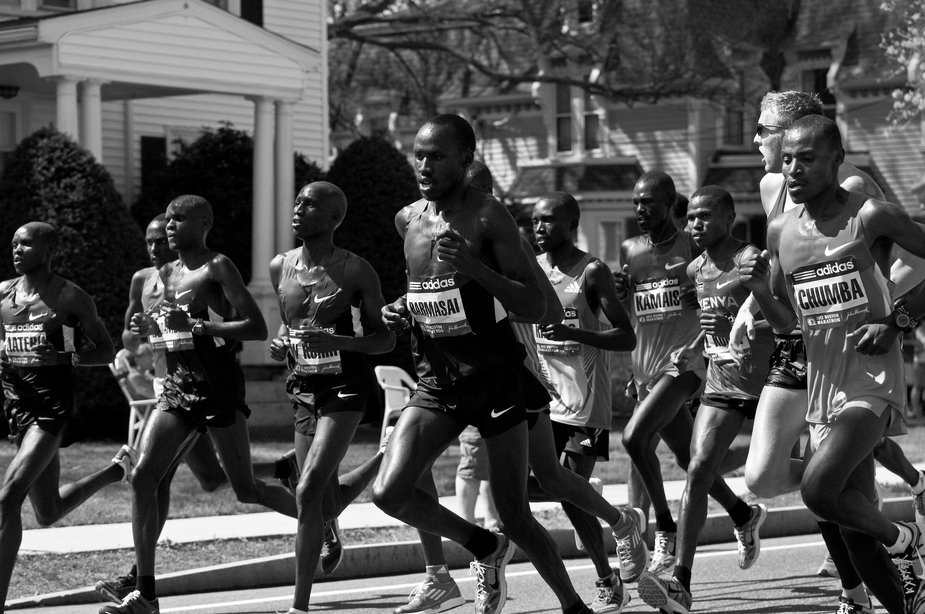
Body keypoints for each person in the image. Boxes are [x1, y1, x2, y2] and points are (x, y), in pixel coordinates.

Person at [374, 114, 600, 614]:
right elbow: (425, 289)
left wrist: (475, 268)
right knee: (389, 492)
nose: (424, 165)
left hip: (494, 379)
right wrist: (400, 308)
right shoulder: (407, 219)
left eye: (437, 156)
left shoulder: (488, 217)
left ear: (465, 159)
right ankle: (483, 546)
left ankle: (573, 606)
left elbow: (537, 306)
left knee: (516, 513)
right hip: (437, 379)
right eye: (419, 154)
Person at [734, 90, 925, 603]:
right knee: (851, 531)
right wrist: (755, 292)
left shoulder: (871, 216)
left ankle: (906, 539)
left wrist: (898, 320)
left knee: (819, 492)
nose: (793, 169)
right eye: (789, 159)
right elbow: (788, 324)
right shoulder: (780, 230)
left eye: (807, 159)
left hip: (872, 380)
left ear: (836, 161)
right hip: (822, 385)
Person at [101, 195, 298, 614]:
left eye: (179, 219)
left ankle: (318, 518)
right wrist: (142, 328)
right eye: (167, 218)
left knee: (244, 488)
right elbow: (149, 333)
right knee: (142, 478)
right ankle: (146, 594)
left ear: (204, 223)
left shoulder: (217, 267)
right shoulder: (161, 274)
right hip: (174, 387)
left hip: (217, 386)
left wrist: (203, 326)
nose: (170, 226)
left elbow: (256, 327)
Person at [615, 171, 764, 577]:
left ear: (669, 203)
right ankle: (741, 514)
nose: (641, 210)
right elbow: (642, 311)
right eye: (635, 203)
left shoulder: (695, 249)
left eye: (649, 202)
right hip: (650, 367)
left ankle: (664, 527)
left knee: (632, 438)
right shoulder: (631, 250)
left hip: (687, 368)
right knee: (691, 462)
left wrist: (697, 325)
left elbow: (725, 302)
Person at [269, 181, 396, 614]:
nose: (298, 209)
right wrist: (281, 342)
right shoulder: (278, 266)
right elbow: (291, 326)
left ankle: (299, 606)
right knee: (322, 499)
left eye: (310, 205)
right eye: (298, 202)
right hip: (303, 388)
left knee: (306, 491)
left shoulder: (355, 270)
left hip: (345, 387)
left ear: (334, 218)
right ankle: (385, 455)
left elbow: (385, 340)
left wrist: (338, 343)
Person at [530, 191, 646, 612]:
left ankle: (607, 577)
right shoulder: (532, 269)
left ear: (571, 222)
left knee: (563, 492)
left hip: (585, 402)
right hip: (544, 400)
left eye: (547, 220)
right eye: (534, 221)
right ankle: (593, 497)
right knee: (532, 488)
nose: (538, 228)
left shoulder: (592, 272)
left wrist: (575, 334)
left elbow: (626, 336)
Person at [0, 222, 123, 614]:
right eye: (15, 243)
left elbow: (106, 350)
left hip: (51, 410)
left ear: (49, 249)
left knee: (7, 497)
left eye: (27, 243)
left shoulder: (70, 296)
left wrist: (65, 357)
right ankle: (118, 470)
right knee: (48, 510)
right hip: (17, 406)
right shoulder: (2, 293)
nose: (17, 249)